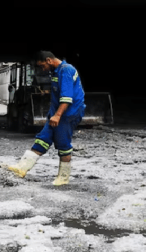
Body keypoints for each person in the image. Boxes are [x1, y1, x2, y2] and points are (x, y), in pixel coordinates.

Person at [5, 51, 86, 186]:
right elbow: (61, 90)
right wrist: (48, 93)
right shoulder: (57, 71)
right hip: (56, 113)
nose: (42, 69)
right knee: (43, 138)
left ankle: (63, 178)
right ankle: (22, 168)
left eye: (42, 66)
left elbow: (67, 98)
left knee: (63, 144)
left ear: (49, 60)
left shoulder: (65, 70)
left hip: (67, 114)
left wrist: (58, 115)